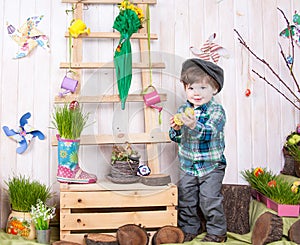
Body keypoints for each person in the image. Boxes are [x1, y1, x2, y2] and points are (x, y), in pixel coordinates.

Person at [169, 58, 227, 243]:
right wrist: (176, 130)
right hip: (188, 164)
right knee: (186, 198)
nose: (196, 93)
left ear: (214, 89)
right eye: (191, 88)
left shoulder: (217, 111)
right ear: (185, 89)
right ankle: (188, 229)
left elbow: (209, 132)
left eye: (203, 88)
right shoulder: (183, 109)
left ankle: (217, 232)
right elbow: (177, 138)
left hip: (211, 165)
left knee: (210, 199)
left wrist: (193, 124)